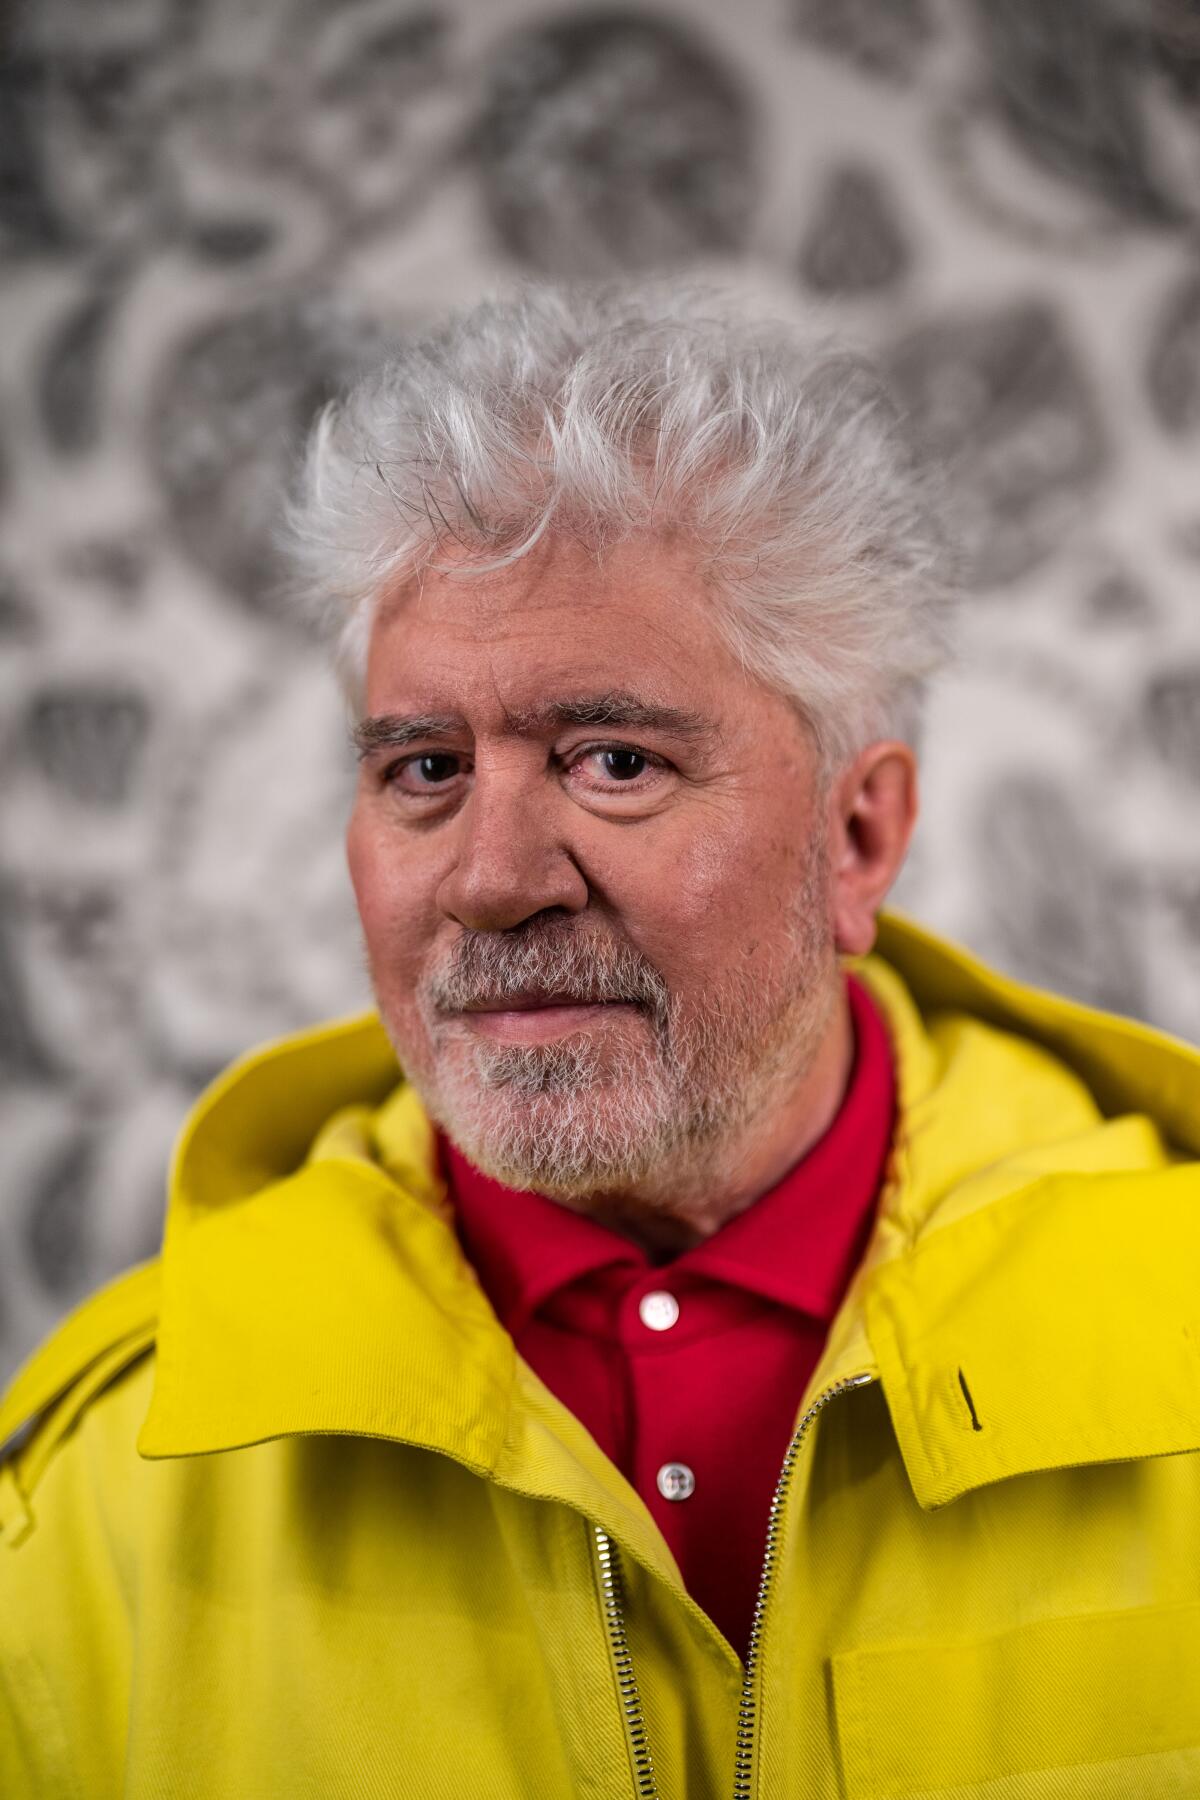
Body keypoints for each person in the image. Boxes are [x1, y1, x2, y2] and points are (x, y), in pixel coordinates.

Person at [2, 284, 1198, 1800]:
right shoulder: (104, 1491)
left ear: (858, 833)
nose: (493, 878)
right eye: (424, 767)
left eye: (614, 760)